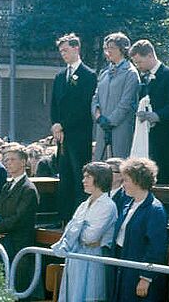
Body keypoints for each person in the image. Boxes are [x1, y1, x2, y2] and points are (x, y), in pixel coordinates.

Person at [51, 162, 117, 302]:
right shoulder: (83, 204)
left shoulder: (108, 206)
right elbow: (70, 229)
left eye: (88, 177)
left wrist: (76, 231)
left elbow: (90, 236)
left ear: (99, 178)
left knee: (88, 294)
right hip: (76, 256)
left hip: (91, 257)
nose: (84, 181)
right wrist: (79, 229)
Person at [51, 33, 98, 221]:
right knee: (65, 175)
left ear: (76, 48)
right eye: (61, 51)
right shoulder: (60, 76)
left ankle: (79, 216)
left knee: (80, 175)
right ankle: (64, 216)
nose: (63, 54)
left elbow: (83, 106)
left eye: (66, 50)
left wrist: (64, 125)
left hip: (78, 133)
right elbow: (55, 104)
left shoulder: (89, 75)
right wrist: (55, 124)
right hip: (61, 136)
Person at [112, 158, 168, 302]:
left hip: (137, 272)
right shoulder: (127, 204)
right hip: (123, 266)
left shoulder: (155, 209)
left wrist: (146, 277)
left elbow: (157, 248)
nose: (123, 184)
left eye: (126, 180)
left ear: (138, 181)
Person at [129, 39, 169, 184]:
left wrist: (156, 116)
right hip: (145, 138)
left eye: (139, 62)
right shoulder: (144, 78)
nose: (138, 66)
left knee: (162, 176)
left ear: (150, 55)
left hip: (163, 137)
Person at [0, 146, 39, 293]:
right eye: (6, 160)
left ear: (24, 162)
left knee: (17, 286)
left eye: (12, 159)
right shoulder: (7, 185)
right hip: (4, 242)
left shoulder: (28, 189)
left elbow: (19, 218)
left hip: (19, 244)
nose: (8, 163)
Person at [92, 32, 140, 160]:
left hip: (120, 128)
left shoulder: (131, 73)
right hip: (102, 128)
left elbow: (126, 102)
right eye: (106, 48)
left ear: (122, 49)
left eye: (112, 47)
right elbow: (96, 98)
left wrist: (110, 121)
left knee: (118, 165)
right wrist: (98, 116)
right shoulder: (104, 73)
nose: (108, 51)